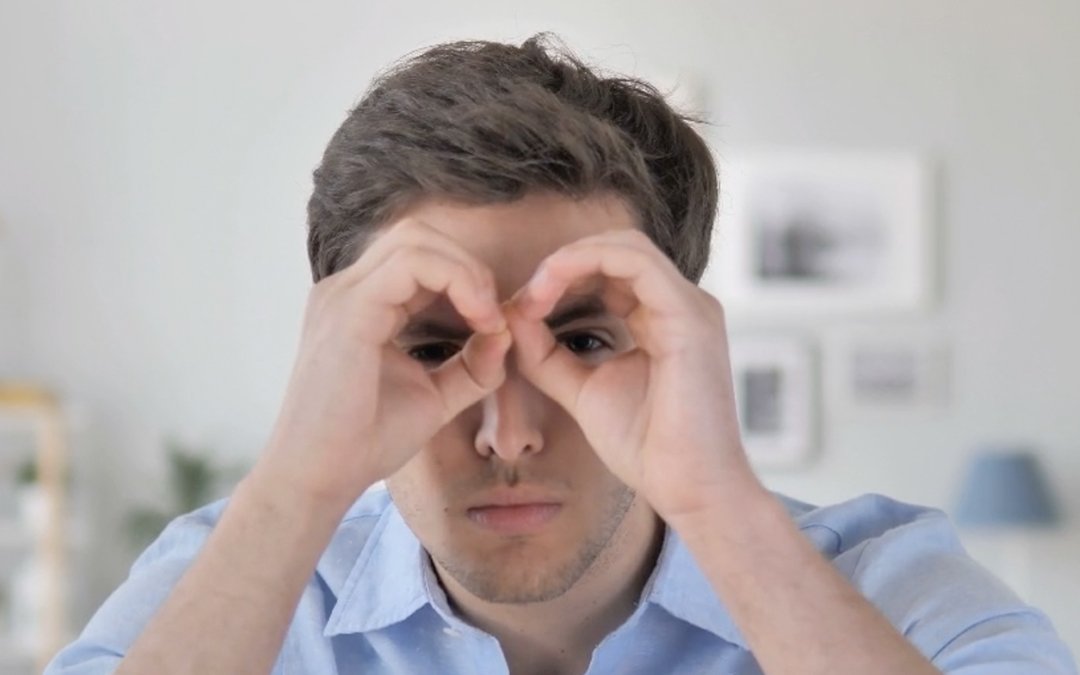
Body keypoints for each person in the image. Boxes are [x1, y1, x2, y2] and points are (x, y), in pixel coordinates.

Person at [47, 35, 1076, 675]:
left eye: (582, 340)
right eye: (435, 345)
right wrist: (297, 485)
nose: (509, 434)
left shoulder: (887, 587)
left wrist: (719, 504)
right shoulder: (227, 582)